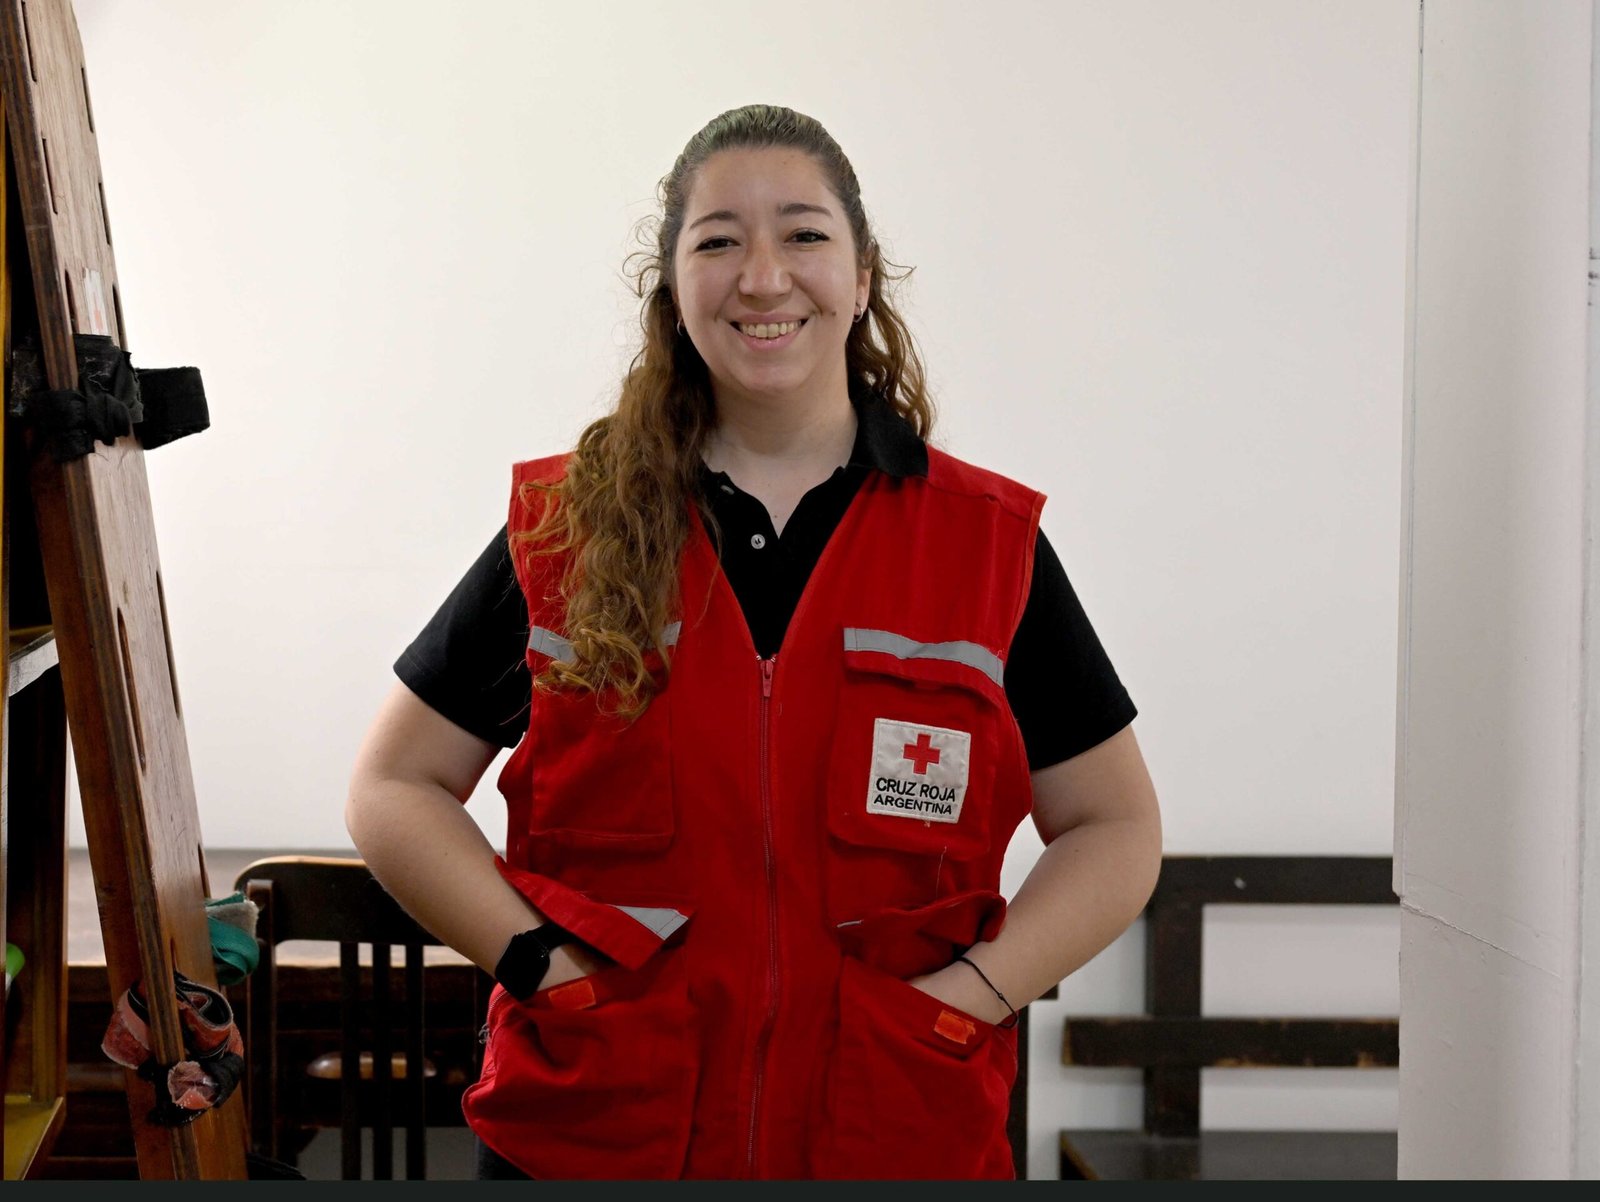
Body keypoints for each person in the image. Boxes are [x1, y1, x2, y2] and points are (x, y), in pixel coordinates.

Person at [345, 103, 1162, 1181]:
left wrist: (974, 996)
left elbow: (1115, 825)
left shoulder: (984, 544)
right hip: (600, 1128)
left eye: (803, 234)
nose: (764, 277)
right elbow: (393, 786)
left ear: (861, 277)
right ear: (672, 288)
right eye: (719, 241)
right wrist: (540, 964)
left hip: (887, 1130)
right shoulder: (568, 528)